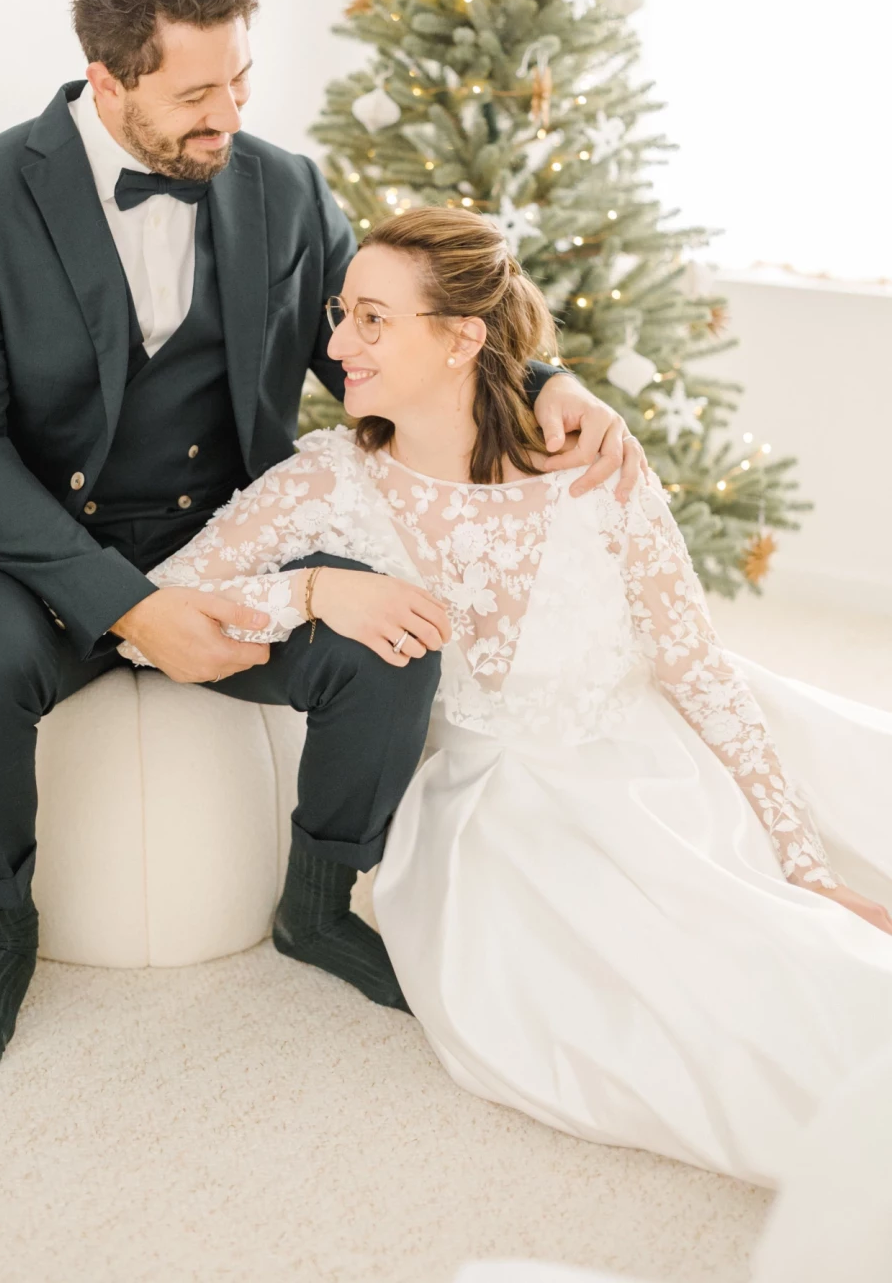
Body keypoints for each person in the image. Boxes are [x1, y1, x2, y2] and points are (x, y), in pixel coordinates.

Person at [0, 0, 641, 1072]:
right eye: (198, 93)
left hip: (232, 532)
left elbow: (380, 337)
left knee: (397, 638)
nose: (231, 117)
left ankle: (318, 902)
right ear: (107, 78)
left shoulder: (285, 191)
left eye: (242, 80)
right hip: (23, 545)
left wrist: (544, 383)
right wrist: (129, 608)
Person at [125, 205, 892, 1187]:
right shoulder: (330, 479)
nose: (336, 344)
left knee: (816, 896)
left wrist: (801, 860)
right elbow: (155, 608)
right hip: (509, 815)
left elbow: (695, 665)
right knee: (732, 1001)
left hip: (664, 760)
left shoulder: (596, 467)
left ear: (462, 339)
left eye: (370, 320)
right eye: (340, 314)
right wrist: (320, 591)